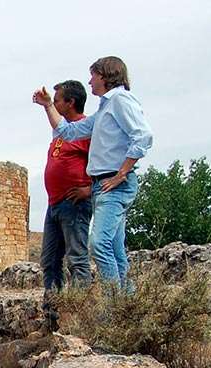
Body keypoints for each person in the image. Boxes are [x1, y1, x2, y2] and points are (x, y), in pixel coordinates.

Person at [32, 56, 153, 288]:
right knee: (116, 249)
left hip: (113, 183)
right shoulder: (106, 107)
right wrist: (48, 106)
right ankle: (126, 303)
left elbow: (143, 136)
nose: (89, 81)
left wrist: (121, 173)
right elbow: (69, 132)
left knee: (99, 244)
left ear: (105, 76)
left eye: (93, 75)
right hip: (102, 185)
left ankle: (110, 310)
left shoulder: (120, 100)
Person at [35, 80, 93, 292]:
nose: (54, 103)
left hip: (74, 204)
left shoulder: (87, 130)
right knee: (49, 261)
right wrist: (47, 106)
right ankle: (53, 315)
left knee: (77, 259)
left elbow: (104, 163)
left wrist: (89, 190)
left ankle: (80, 318)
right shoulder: (62, 131)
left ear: (71, 102)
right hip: (54, 205)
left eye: (57, 100)